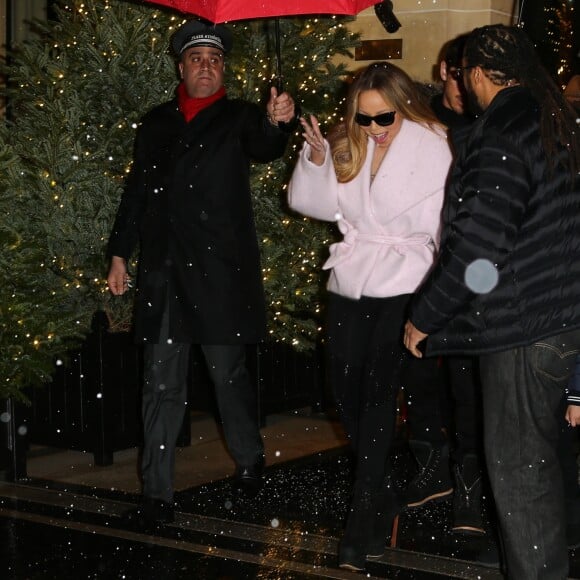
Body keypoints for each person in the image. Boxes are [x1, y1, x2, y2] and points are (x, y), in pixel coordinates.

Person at [404, 24, 580, 579]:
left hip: (524, 330)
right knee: (540, 467)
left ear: (475, 73)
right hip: (561, 317)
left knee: (520, 476)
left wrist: (427, 314)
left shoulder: (502, 130)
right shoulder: (555, 122)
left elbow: (481, 249)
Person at [107, 20, 299, 525]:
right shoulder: (155, 124)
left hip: (220, 274)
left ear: (223, 70)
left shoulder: (240, 118)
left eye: (214, 61)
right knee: (160, 384)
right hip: (165, 275)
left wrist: (278, 121)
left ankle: (249, 458)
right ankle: (157, 494)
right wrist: (120, 253)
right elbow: (137, 193)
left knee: (226, 375)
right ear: (181, 66)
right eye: (197, 59)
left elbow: (265, 144)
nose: (206, 68)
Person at [288, 61, 452, 571]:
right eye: (365, 119)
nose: (375, 130)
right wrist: (317, 159)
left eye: (385, 119)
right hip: (352, 276)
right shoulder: (346, 141)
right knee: (344, 388)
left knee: (379, 393)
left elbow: (449, 224)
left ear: (404, 107)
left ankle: (364, 513)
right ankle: (377, 486)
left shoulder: (437, 145)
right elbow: (310, 204)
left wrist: (442, 299)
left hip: (405, 279)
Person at [402, 33, 486, 537]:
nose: (461, 83)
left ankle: (469, 483)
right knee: (419, 374)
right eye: (454, 72)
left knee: (467, 382)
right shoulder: (421, 121)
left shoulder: (489, 123)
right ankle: (431, 466)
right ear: (442, 72)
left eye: (467, 72)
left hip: (469, 271)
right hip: (418, 266)